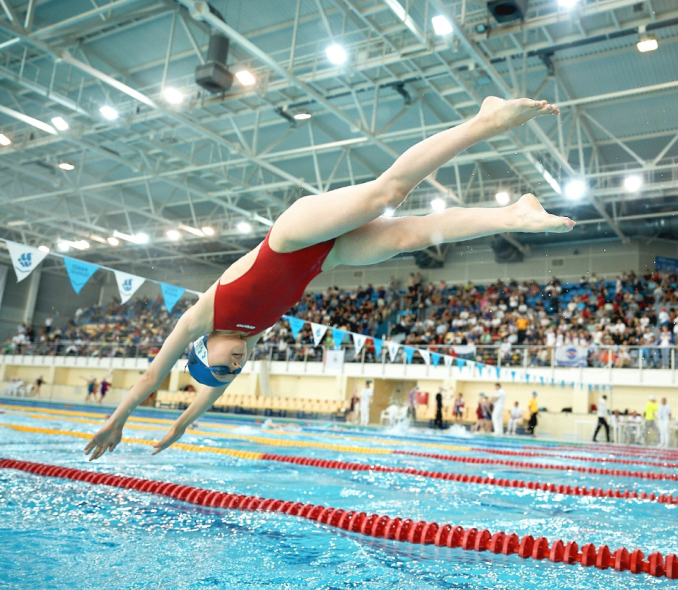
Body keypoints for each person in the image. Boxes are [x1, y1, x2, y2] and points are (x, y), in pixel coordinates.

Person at [83, 97, 573, 460]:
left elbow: (152, 375)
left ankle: (486, 119)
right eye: (234, 370)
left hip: (292, 237)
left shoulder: (202, 317)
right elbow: (215, 389)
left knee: (390, 192)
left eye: (222, 365)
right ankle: (512, 214)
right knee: (412, 236)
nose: (234, 365)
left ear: (201, 350)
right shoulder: (246, 341)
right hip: (327, 258)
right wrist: (185, 425)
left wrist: (117, 420)